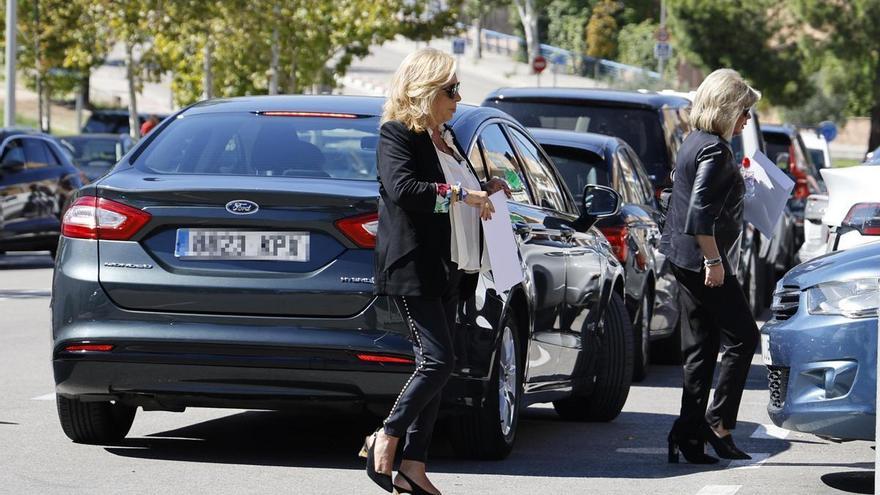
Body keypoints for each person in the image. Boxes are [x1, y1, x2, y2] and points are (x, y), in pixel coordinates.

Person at [363, 47, 509, 495]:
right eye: (450, 89)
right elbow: (406, 190)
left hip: (452, 265)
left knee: (443, 364)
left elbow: (453, 189)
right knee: (438, 360)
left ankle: (414, 465)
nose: (458, 97)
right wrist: (465, 195)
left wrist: (486, 190)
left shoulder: (444, 137)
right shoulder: (397, 134)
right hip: (415, 265)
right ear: (424, 89)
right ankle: (384, 436)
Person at [659, 68, 761, 464]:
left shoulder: (695, 142)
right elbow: (699, 213)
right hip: (702, 261)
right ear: (727, 108)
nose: (746, 120)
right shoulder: (716, 150)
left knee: (701, 349)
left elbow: (686, 194)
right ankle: (717, 424)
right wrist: (715, 261)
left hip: (683, 258)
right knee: (744, 337)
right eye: (744, 111)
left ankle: (687, 435)